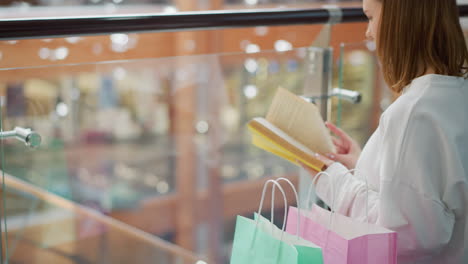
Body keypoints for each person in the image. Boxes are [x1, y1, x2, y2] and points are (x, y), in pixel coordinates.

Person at [301, 0, 468, 263]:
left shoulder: (414, 113)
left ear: (399, 20)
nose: (368, 32)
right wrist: (364, 163)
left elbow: (403, 238)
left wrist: (329, 177)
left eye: (370, 17)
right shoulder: (454, 95)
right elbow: (429, 191)